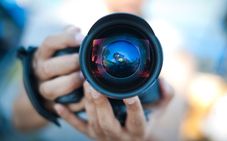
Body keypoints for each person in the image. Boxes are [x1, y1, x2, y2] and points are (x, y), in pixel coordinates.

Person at [12, 0, 174, 140]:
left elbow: (174, 135)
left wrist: (142, 137)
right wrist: (45, 99)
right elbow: (19, 120)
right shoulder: (59, 22)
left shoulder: (172, 42)